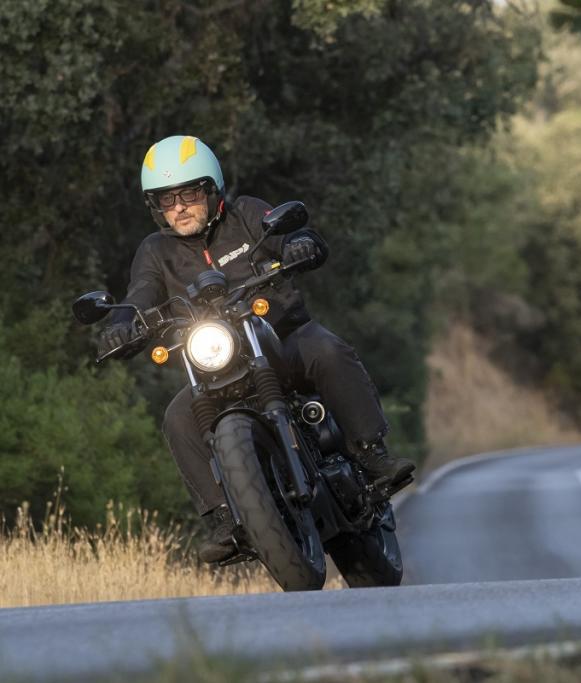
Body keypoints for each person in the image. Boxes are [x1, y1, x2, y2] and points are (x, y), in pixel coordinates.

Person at [98, 134, 415, 563]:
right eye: (166, 199)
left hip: (283, 337)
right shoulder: (156, 252)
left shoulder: (247, 213)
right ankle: (226, 519)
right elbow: (139, 294)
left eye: (189, 193)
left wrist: (298, 243)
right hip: (216, 364)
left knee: (328, 350)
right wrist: (119, 325)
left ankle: (371, 455)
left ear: (211, 190)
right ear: (155, 206)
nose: (179, 207)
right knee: (177, 416)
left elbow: (289, 236)